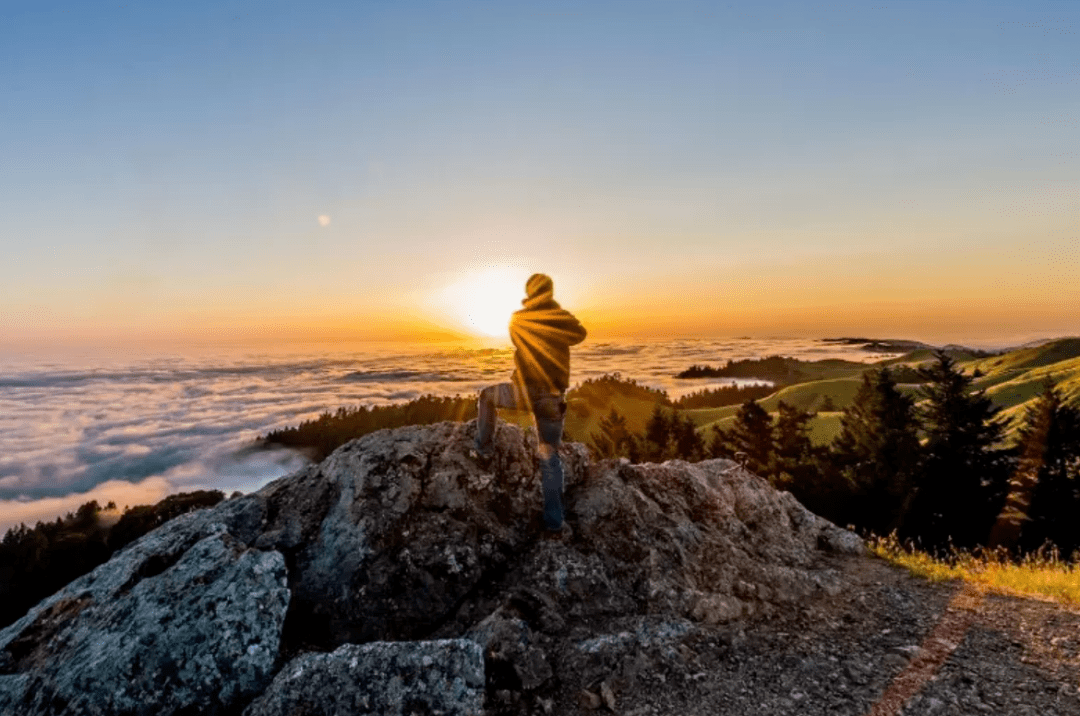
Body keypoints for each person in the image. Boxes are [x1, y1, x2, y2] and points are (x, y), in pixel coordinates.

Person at [473, 273, 587, 533]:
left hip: (522, 392)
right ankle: (555, 522)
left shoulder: (519, 318)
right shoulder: (560, 318)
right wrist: (555, 313)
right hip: (551, 397)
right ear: (550, 292)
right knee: (549, 457)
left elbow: (517, 338)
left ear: (529, 292)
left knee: (487, 397)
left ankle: (484, 448)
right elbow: (579, 334)